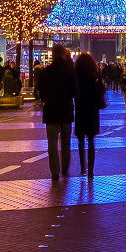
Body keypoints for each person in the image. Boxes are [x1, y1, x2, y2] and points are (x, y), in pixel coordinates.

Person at [38, 43, 77, 181]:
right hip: (66, 110)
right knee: (66, 142)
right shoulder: (70, 70)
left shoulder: (46, 71)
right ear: (64, 54)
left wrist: (44, 98)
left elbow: (40, 90)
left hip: (51, 111)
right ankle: (65, 168)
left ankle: (55, 171)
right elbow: (75, 91)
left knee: (52, 143)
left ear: (52, 54)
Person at [74, 52, 102, 178]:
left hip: (80, 110)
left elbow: (73, 92)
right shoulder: (95, 75)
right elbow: (101, 90)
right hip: (92, 110)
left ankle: (82, 166)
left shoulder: (76, 76)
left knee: (80, 141)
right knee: (91, 140)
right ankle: (91, 169)